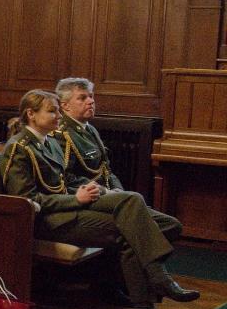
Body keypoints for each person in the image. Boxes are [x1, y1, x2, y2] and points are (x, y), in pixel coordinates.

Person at [0, 89, 197, 309]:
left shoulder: (48, 140)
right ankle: (152, 298)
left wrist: (90, 188)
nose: (59, 115)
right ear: (31, 114)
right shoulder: (19, 148)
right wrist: (76, 198)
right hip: (48, 221)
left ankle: (149, 302)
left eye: (59, 110)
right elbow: (26, 201)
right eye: (52, 111)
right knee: (129, 231)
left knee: (134, 203)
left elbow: (66, 179)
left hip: (69, 208)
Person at [54, 78, 181, 247]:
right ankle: (146, 272)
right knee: (141, 223)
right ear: (65, 106)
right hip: (89, 199)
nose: (90, 101)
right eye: (82, 98)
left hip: (108, 196)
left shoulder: (89, 129)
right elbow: (67, 178)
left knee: (171, 225)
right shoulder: (62, 135)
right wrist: (106, 192)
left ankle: (130, 267)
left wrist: (117, 190)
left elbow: (106, 170)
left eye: (91, 96)